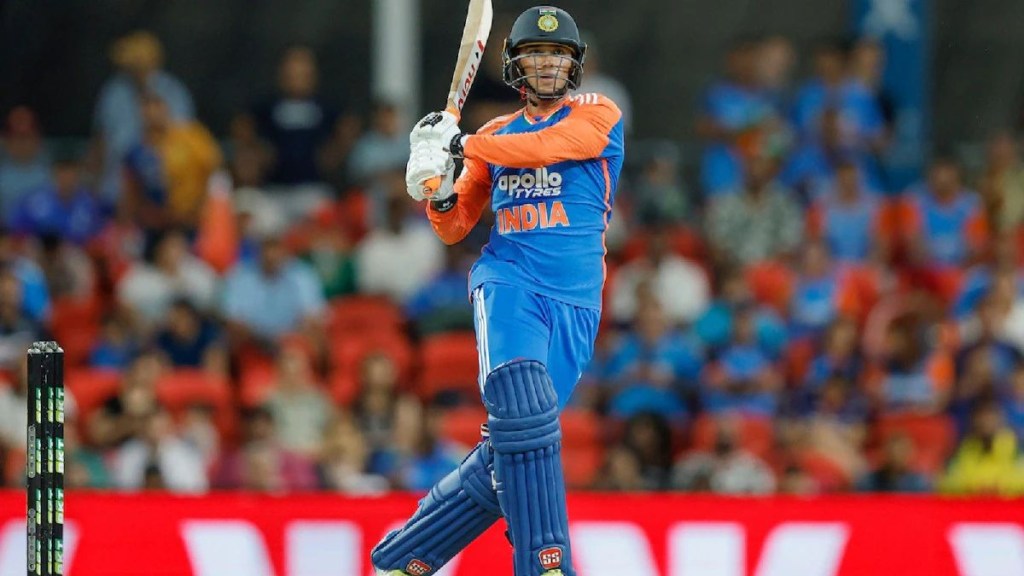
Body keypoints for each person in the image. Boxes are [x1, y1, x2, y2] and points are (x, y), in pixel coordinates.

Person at [371, 6, 624, 576]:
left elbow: (547, 148)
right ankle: (547, 564)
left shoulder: (599, 114)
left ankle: (404, 559)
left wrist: (460, 146)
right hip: (508, 285)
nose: (548, 65)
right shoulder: (491, 136)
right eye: (536, 55)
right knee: (525, 416)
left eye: (558, 55)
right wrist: (439, 188)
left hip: (577, 303)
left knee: (519, 443)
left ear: (575, 65)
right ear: (515, 66)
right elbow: (454, 224)